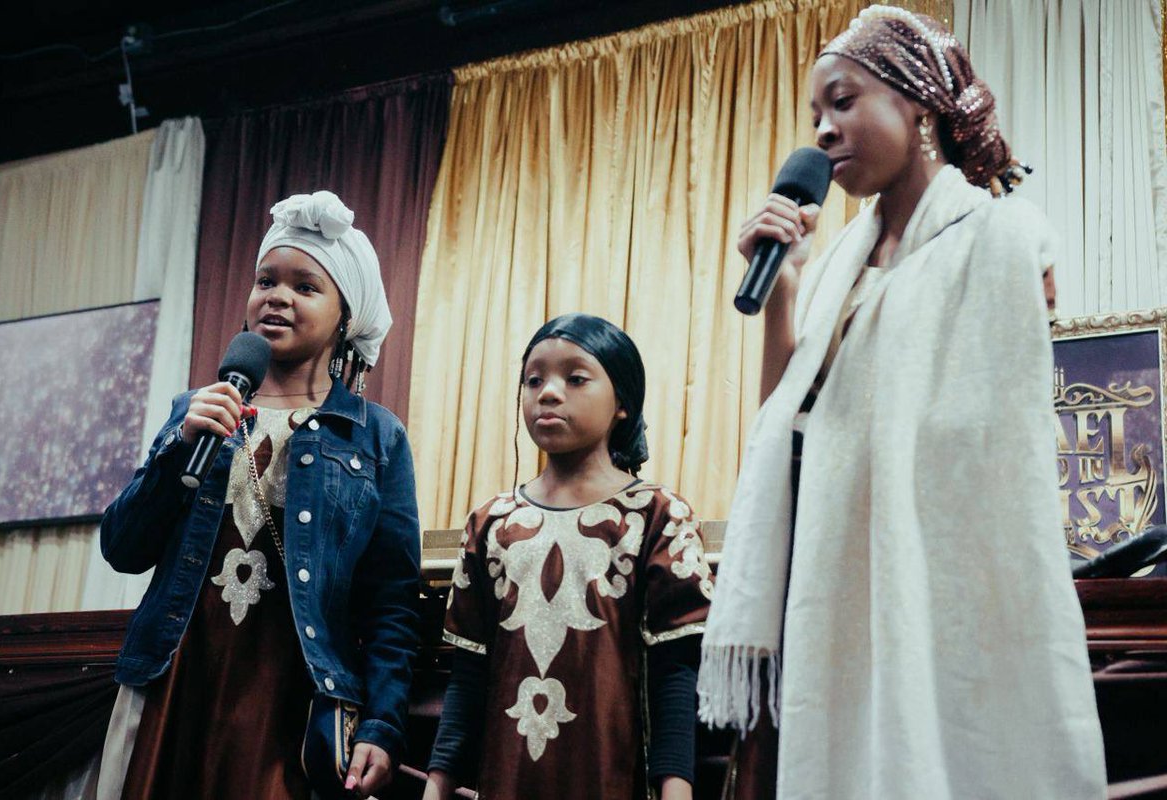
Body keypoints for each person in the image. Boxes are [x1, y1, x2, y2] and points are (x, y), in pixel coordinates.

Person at [698, 7, 1106, 799]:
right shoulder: (833, 266)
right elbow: (781, 422)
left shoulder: (998, 237)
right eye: (815, 115)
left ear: (918, 105)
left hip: (930, 570)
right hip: (829, 573)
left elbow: (991, 440)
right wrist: (783, 292)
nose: (823, 130)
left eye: (843, 101)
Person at [96, 190, 422, 799]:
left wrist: (383, 722)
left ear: (346, 316)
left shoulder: (377, 437)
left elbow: (393, 602)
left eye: (305, 287)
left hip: (293, 696)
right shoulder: (196, 410)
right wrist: (179, 446)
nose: (277, 296)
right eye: (265, 280)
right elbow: (122, 547)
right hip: (177, 679)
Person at [422, 313, 713, 800]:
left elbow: (676, 674)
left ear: (623, 402)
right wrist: (437, 788)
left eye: (575, 378)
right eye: (534, 380)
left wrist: (676, 791)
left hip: (613, 780)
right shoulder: (491, 522)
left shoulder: (659, 516)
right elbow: (468, 676)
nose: (549, 393)